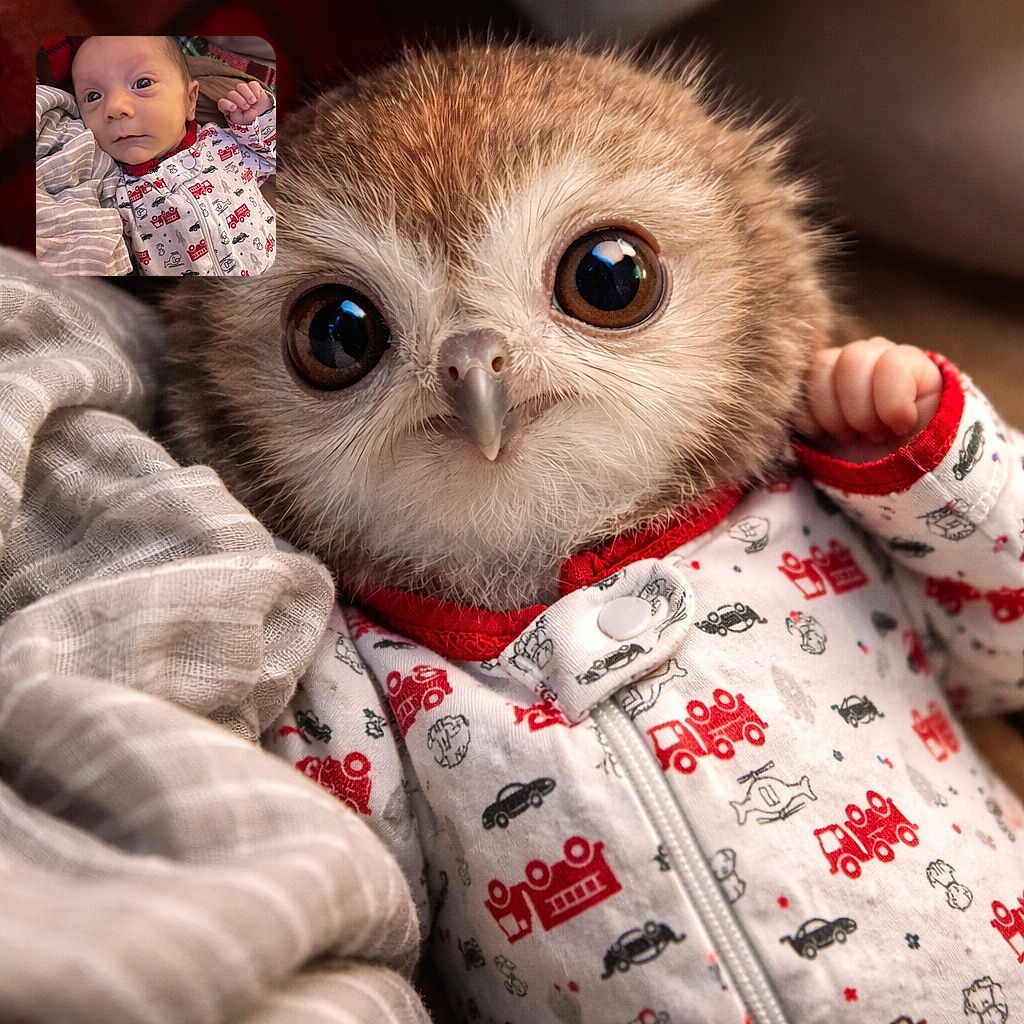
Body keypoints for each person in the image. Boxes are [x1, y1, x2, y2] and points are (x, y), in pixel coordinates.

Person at [71, 35, 276, 276]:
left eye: (142, 83)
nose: (115, 108)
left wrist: (258, 121)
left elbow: (271, 161)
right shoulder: (113, 191)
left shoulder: (222, 144)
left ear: (190, 100)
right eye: (93, 96)